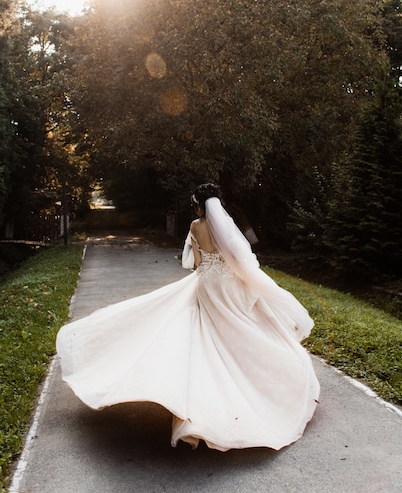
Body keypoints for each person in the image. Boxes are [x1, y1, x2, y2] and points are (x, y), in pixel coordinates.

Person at [56, 183, 319, 452]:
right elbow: (242, 258)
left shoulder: (195, 226)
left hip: (206, 283)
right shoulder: (226, 225)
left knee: (208, 333)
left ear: (199, 205)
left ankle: (201, 402)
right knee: (243, 327)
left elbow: (194, 263)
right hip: (230, 283)